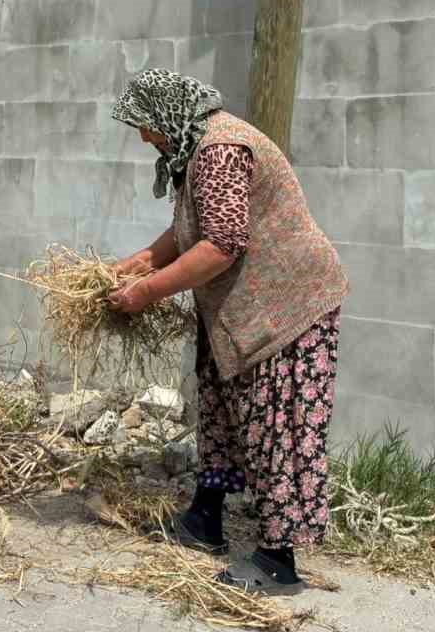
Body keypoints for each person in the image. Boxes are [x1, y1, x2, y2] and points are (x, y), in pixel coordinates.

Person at [106, 69, 349, 595]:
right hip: (242, 311)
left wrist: (146, 292)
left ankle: (278, 561)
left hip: (286, 310)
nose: (145, 136)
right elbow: (189, 227)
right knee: (220, 409)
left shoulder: (220, 150)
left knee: (278, 428)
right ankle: (205, 519)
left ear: (168, 114)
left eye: (145, 125)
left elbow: (221, 244)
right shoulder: (194, 148)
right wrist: (138, 264)